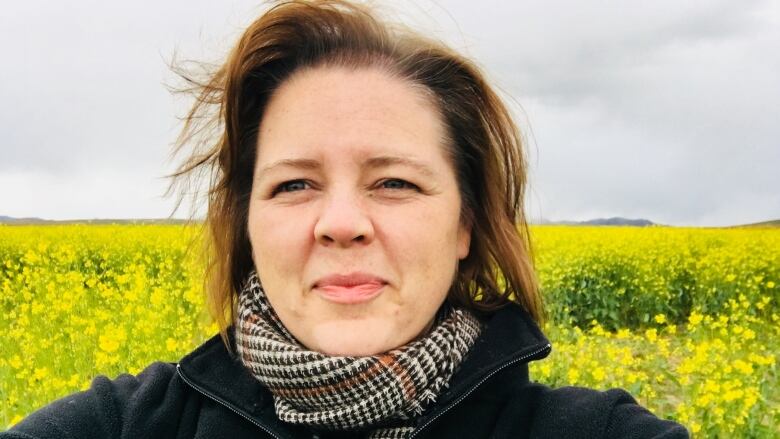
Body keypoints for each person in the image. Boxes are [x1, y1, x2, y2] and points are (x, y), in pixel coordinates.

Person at [3, 1, 688, 438]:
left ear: (464, 225)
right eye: (294, 183)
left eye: (393, 181)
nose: (339, 222)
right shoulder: (126, 426)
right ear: (247, 224)